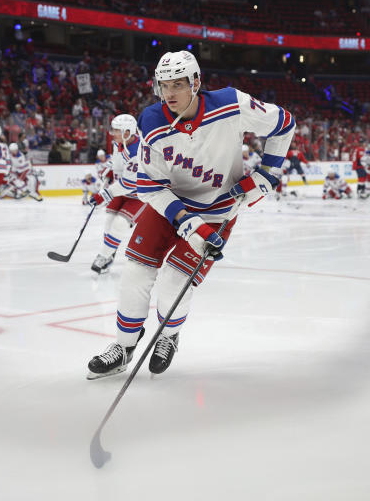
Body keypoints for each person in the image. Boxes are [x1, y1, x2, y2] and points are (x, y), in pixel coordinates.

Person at [86, 50, 295, 379]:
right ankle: (124, 346)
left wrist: (268, 172)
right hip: (170, 204)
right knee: (136, 273)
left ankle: (168, 335)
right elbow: (150, 186)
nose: (169, 93)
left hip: (217, 209)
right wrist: (184, 220)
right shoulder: (152, 120)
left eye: (178, 84)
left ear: (196, 82)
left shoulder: (231, 104)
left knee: (174, 281)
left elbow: (284, 124)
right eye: (163, 85)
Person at [89, 114, 146, 274]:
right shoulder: (119, 143)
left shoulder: (137, 152)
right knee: (109, 222)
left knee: (120, 224)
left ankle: (103, 256)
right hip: (121, 191)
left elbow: (128, 184)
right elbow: (115, 161)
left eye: (116, 130)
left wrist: (103, 195)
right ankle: (109, 253)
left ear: (127, 132)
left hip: (139, 195)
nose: (112, 133)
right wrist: (109, 170)